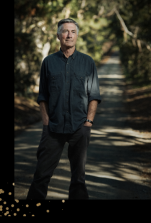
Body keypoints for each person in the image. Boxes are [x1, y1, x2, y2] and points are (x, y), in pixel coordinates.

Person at [26, 18, 101, 199]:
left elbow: (94, 95)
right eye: (65, 31)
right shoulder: (49, 62)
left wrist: (88, 123)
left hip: (79, 128)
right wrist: (46, 123)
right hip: (53, 129)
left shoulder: (88, 62)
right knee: (41, 176)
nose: (69, 35)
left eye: (73, 32)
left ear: (77, 35)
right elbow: (42, 96)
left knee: (78, 178)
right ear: (58, 35)